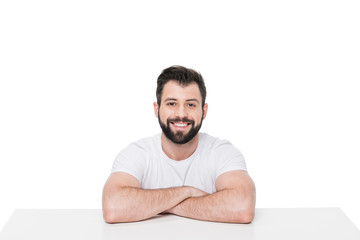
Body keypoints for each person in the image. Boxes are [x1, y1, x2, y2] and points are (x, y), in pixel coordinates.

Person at [102, 65, 256, 223]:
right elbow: (113, 207)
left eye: (190, 105)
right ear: (157, 109)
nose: (181, 114)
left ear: (204, 111)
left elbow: (242, 207)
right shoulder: (137, 153)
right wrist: (187, 192)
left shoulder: (222, 152)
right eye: (171, 103)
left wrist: (161, 205)